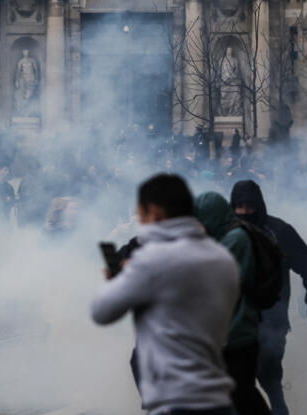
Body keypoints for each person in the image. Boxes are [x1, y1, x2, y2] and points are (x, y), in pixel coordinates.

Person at [91, 174, 239, 415]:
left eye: (141, 213)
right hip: (217, 397)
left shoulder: (151, 259)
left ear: (155, 211)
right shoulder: (222, 257)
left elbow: (102, 311)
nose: (140, 220)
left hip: (175, 400)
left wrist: (120, 279)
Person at [230, 180, 307, 415]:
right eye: (239, 206)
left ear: (259, 205)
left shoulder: (279, 231)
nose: (245, 211)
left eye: (250, 205)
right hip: (232, 324)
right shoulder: (226, 233)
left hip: (271, 322)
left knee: (270, 378)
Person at [194, 192, 271, 415]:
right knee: (242, 396)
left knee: (239, 396)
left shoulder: (235, 239)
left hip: (236, 337)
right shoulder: (224, 235)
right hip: (231, 335)